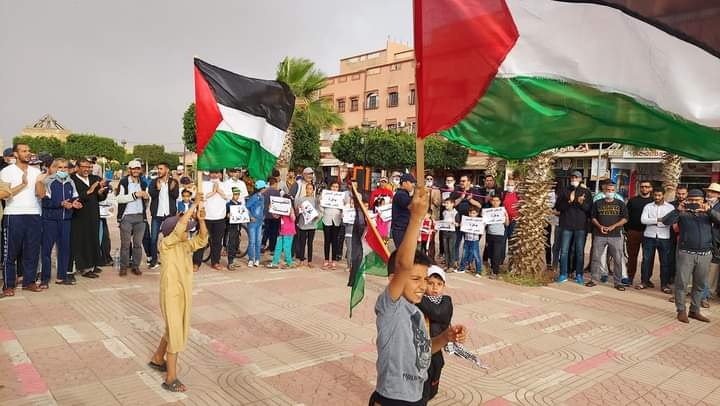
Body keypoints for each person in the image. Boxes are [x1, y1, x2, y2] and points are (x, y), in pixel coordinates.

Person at [369, 185, 467, 406]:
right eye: (415, 279)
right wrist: (416, 217)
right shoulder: (390, 307)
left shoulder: (417, 312)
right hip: (393, 398)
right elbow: (404, 265)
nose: (423, 286)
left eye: (425, 279)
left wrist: (445, 338)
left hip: (417, 396)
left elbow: (424, 351)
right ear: (394, 279)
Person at [149, 205, 208, 393]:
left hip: (183, 294)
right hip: (171, 294)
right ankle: (170, 378)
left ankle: (158, 358)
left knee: (173, 328)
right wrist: (193, 205)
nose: (188, 232)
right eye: (185, 230)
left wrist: (201, 220)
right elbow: (180, 227)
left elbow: (202, 240)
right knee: (176, 333)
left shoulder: (184, 245)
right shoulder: (166, 244)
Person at [663, 189, 719, 323]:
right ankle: (681, 310)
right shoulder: (682, 214)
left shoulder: (708, 214)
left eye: (697, 201)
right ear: (687, 201)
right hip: (685, 253)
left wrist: (709, 211)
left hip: (705, 254)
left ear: (703, 201)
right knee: (681, 283)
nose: (694, 203)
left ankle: (694, 311)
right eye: (691, 200)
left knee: (699, 284)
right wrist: (678, 210)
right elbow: (666, 221)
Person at [1, 143, 43, 296]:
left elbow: (41, 194)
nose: (28, 153)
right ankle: (8, 285)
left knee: (32, 251)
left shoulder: (36, 171)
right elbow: (3, 195)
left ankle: (29, 281)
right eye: (24, 151)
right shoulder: (6, 171)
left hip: (34, 214)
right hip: (13, 215)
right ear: (16, 154)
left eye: (29, 151)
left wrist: (40, 182)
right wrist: (23, 184)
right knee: (10, 253)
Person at [41, 158, 81, 287]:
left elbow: (75, 197)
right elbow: (45, 202)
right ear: (54, 168)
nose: (62, 170)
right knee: (47, 250)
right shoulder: (48, 182)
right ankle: (44, 279)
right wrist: (60, 204)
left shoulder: (71, 182)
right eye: (59, 167)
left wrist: (75, 203)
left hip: (66, 221)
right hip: (50, 221)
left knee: (64, 250)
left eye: (65, 168)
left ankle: (61, 277)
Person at [416, 266, 453, 403]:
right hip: (419, 353)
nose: (435, 288)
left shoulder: (446, 302)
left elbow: (436, 312)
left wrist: (416, 296)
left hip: (435, 351)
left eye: (439, 284)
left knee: (433, 378)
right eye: (430, 283)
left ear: (444, 286)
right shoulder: (418, 301)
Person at [70, 158, 108, 279]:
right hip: (79, 215)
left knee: (93, 239)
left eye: (89, 167)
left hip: (93, 214)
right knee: (81, 241)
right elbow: (75, 197)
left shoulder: (94, 178)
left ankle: (92, 263)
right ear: (77, 167)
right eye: (84, 167)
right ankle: (84, 267)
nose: (87, 169)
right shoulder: (72, 179)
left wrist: (101, 192)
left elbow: (100, 198)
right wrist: (90, 190)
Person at [587, 183, 628, 290]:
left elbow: (625, 218)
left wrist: (613, 226)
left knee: (618, 259)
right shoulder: (597, 203)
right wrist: (600, 226)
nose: (610, 192)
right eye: (608, 190)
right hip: (599, 234)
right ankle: (594, 279)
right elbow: (593, 217)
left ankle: (618, 282)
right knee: (596, 258)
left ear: (615, 191)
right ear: (604, 191)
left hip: (615, 235)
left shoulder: (620, 203)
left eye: (612, 190)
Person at [555, 171, 592, 283]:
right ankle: (563, 274)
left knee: (580, 251)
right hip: (566, 225)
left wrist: (580, 202)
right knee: (564, 251)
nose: (574, 179)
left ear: (581, 179)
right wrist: (569, 201)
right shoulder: (564, 191)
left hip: (580, 226)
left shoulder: (586, 192)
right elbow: (558, 207)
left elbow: (589, 210)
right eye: (572, 177)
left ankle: (579, 274)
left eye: (576, 177)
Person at [117, 160, 149, 276]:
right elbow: (119, 199)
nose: (135, 171)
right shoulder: (124, 182)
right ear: (129, 169)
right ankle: (123, 266)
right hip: (126, 216)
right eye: (133, 168)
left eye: (138, 168)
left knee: (137, 244)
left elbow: (146, 203)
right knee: (125, 244)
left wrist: (146, 198)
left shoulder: (144, 183)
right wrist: (135, 195)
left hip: (140, 217)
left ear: (140, 170)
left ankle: (136, 266)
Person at [639, 188, 674, 291]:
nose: (657, 197)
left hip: (664, 237)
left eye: (659, 195)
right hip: (649, 236)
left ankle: (664, 285)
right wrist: (659, 220)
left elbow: (670, 221)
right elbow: (643, 220)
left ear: (663, 195)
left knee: (665, 262)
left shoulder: (670, 207)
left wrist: (653, 221)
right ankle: (644, 282)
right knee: (646, 260)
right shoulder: (648, 206)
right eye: (655, 195)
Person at [148, 162, 180, 269]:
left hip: (169, 215)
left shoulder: (174, 182)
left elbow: (175, 196)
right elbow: (152, 195)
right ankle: (154, 260)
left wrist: (171, 189)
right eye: (158, 169)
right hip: (157, 215)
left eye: (161, 169)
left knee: (169, 238)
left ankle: (169, 259)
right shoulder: (153, 182)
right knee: (153, 239)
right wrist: (157, 188)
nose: (159, 171)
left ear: (167, 170)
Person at [625, 180, 655, 284]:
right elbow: (626, 216)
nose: (644, 189)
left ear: (651, 188)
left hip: (649, 234)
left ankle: (646, 279)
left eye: (647, 187)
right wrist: (627, 230)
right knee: (632, 257)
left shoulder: (653, 201)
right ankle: (629, 278)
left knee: (648, 258)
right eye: (642, 187)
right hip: (633, 232)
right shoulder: (633, 200)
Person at [201, 170, 229, 270]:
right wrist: (212, 192)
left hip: (220, 218)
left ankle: (215, 262)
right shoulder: (203, 184)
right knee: (202, 240)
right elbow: (200, 197)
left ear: (220, 175)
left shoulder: (225, 185)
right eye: (212, 173)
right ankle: (196, 262)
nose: (214, 175)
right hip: (206, 217)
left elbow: (229, 197)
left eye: (217, 173)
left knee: (217, 242)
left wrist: (219, 191)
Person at [703, 183, 720, 307]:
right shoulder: (702, 204)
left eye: (713, 192)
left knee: (713, 270)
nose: (709, 194)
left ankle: (707, 294)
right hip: (702, 241)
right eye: (709, 191)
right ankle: (697, 292)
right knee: (700, 269)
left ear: (718, 195)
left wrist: (709, 211)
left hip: (716, 243)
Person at [295, 182, 319, 267]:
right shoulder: (301, 199)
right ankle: (301, 260)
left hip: (312, 224)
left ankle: (310, 261)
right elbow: (297, 213)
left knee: (310, 243)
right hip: (302, 224)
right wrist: (298, 210)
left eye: (310, 188)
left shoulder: (315, 200)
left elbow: (318, 211)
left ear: (313, 190)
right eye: (307, 188)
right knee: (302, 242)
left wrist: (317, 216)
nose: (308, 190)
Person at [486, 195, 510, 279]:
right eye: (493, 200)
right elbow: (485, 223)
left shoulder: (503, 210)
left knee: (497, 253)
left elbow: (507, 224)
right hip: (490, 234)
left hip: (499, 234)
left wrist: (506, 217)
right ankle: (493, 269)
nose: (495, 202)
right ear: (491, 201)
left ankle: (495, 272)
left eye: (497, 200)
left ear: (500, 202)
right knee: (491, 253)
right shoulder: (488, 211)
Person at [321, 182, 343, 269]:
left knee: (335, 241)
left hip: (336, 220)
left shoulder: (341, 197)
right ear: (330, 187)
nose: (335, 188)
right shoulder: (326, 195)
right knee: (327, 240)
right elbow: (321, 207)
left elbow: (343, 208)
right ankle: (326, 260)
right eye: (333, 186)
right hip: (326, 219)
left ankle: (334, 260)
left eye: (336, 187)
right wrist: (321, 202)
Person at [456, 206, 483, 277]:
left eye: (474, 213)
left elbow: (482, 227)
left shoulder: (479, 221)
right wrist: (462, 224)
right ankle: (462, 269)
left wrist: (482, 223)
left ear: (477, 214)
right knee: (464, 254)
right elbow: (463, 228)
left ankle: (478, 271)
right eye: (470, 213)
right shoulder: (466, 220)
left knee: (476, 255)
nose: (471, 214)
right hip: (467, 239)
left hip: (474, 241)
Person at [391, 173, 416, 248]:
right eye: (411, 182)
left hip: (403, 228)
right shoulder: (400, 195)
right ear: (404, 183)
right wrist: (418, 195)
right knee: (402, 253)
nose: (413, 185)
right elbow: (411, 205)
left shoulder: (404, 194)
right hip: (400, 229)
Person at [246, 180, 267, 267]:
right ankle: (251, 259)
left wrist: (263, 217)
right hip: (252, 222)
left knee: (258, 241)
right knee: (252, 241)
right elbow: (246, 207)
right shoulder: (254, 197)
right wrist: (250, 216)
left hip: (259, 222)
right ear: (261, 189)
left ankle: (257, 259)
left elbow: (262, 209)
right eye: (264, 187)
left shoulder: (262, 197)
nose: (265, 189)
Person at [225, 188, 244, 271]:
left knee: (237, 243)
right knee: (231, 244)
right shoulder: (228, 204)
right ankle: (230, 262)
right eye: (235, 194)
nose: (236, 196)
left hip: (238, 227)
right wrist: (228, 215)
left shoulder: (240, 204)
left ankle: (233, 260)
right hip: (231, 227)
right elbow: (226, 215)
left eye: (237, 194)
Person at [262, 177, 281, 254]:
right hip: (274, 216)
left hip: (266, 215)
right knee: (274, 232)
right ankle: (272, 248)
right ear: (275, 183)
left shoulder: (264, 192)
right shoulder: (277, 192)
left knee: (266, 231)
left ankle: (262, 245)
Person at [440, 198, 459, 272]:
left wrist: (455, 223)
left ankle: (451, 266)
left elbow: (458, 224)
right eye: (445, 203)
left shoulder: (455, 213)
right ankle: (446, 265)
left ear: (452, 204)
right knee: (446, 249)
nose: (446, 205)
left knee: (451, 249)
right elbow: (442, 221)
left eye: (448, 203)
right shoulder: (444, 212)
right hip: (445, 232)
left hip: (452, 233)